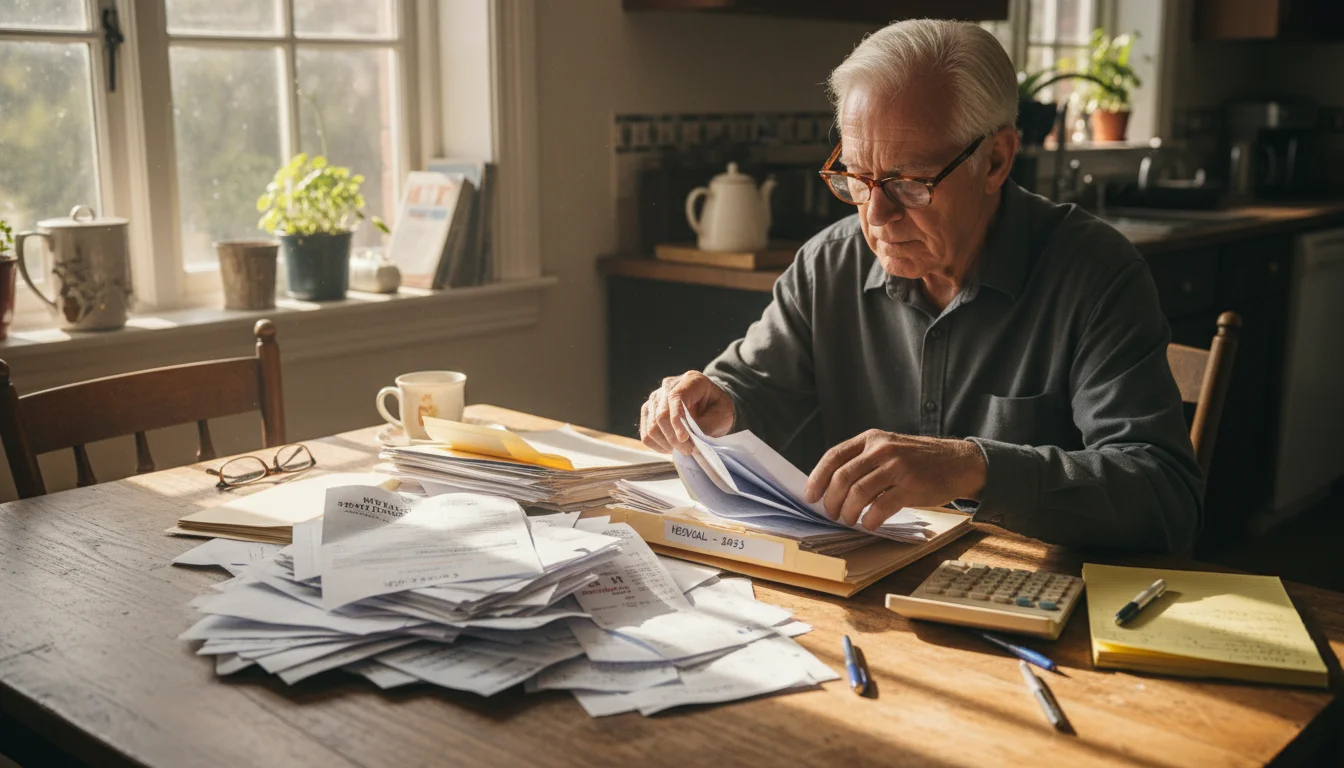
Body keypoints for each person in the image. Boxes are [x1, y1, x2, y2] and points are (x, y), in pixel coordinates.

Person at [638, 19, 1202, 554]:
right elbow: (750, 386)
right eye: (857, 178)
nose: (876, 215)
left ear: (996, 160)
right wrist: (711, 402)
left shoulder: (1095, 274)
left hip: (1035, 599)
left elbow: (1164, 497)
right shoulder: (828, 264)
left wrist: (972, 466)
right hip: (872, 592)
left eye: (908, 182)